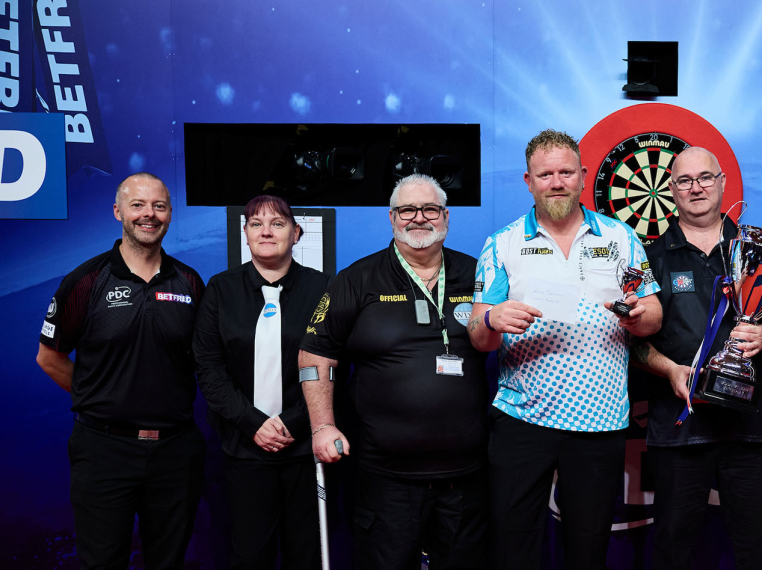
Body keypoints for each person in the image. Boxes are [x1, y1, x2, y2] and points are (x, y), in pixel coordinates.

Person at [468, 129, 663, 570]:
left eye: (566, 172)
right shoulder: (503, 243)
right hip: (523, 418)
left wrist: (637, 316)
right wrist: (493, 320)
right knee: (514, 548)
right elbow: (479, 337)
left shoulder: (621, 238)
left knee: (588, 549)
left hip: (600, 418)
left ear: (583, 175)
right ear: (528, 181)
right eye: (545, 175)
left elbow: (653, 314)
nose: (556, 183)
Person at [299, 174, 488, 570]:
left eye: (430, 209)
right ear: (391, 217)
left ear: (446, 216)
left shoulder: (478, 275)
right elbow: (315, 355)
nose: (418, 218)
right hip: (386, 478)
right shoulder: (357, 279)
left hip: (465, 477)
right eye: (407, 210)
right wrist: (322, 426)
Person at [35, 173, 206, 569]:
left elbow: (205, 359)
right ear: (118, 212)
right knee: (102, 562)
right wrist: (103, 397)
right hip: (104, 451)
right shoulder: (85, 281)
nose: (149, 214)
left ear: (169, 214)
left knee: (168, 562)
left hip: (176, 451)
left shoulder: (190, 282)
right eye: (137, 205)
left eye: (159, 206)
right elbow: (49, 358)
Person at [629, 146, 762, 569]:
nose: (696, 188)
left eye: (704, 178)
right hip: (680, 427)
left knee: (757, 551)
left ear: (722, 183)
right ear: (670, 189)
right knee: (672, 549)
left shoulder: (759, 250)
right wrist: (669, 370)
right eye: (684, 180)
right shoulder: (647, 257)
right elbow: (631, 342)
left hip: (751, 428)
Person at [193, 195, 329, 570]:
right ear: (246, 234)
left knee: (306, 555)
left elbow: (334, 366)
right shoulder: (220, 290)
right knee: (251, 556)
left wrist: (292, 423)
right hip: (245, 449)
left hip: (305, 449)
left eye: (277, 223)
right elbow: (209, 367)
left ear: (296, 234)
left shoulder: (324, 289)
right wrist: (254, 423)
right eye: (256, 224)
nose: (266, 231)